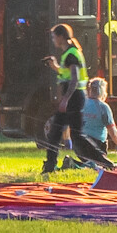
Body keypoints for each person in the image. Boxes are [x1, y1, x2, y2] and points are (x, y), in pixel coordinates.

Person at [40, 23, 88, 174]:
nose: (53, 40)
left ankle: (100, 160)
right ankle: (49, 166)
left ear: (61, 37)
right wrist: (54, 66)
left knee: (76, 136)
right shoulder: (68, 53)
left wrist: (65, 99)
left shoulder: (71, 54)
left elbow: (73, 79)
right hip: (72, 97)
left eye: (54, 37)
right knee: (55, 133)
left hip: (73, 97)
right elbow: (65, 73)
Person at [77, 78, 117, 167]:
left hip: (78, 145)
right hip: (95, 145)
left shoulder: (81, 103)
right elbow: (113, 131)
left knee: (91, 163)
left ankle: (80, 163)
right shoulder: (103, 107)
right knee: (109, 166)